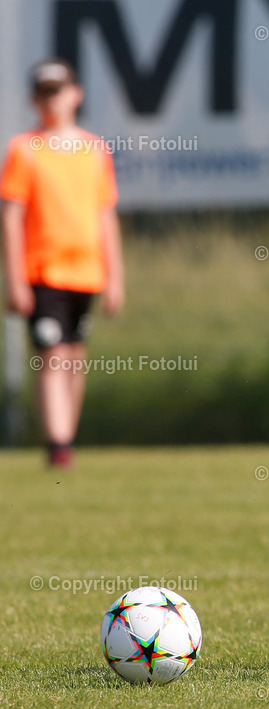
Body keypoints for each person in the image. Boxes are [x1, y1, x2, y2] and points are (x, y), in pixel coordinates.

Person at [1, 58, 124, 468]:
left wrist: (115, 275)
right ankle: (59, 445)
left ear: (76, 94)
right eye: (45, 93)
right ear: (35, 100)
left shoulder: (94, 150)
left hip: (85, 271)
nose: (52, 100)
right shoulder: (25, 150)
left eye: (59, 91)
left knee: (72, 355)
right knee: (51, 355)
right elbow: (12, 216)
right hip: (43, 270)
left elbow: (105, 215)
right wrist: (15, 279)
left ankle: (65, 434)